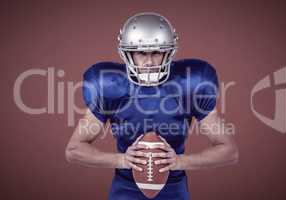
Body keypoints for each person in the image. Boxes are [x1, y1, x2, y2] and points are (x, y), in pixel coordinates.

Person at [65, 12, 239, 200]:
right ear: (127, 53)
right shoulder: (110, 85)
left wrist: (179, 161)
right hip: (125, 189)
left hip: (174, 190)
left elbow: (229, 151)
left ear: (169, 52)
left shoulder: (190, 83)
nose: (149, 62)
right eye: (141, 52)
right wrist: (122, 159)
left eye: (156, 52)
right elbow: (74, 150)